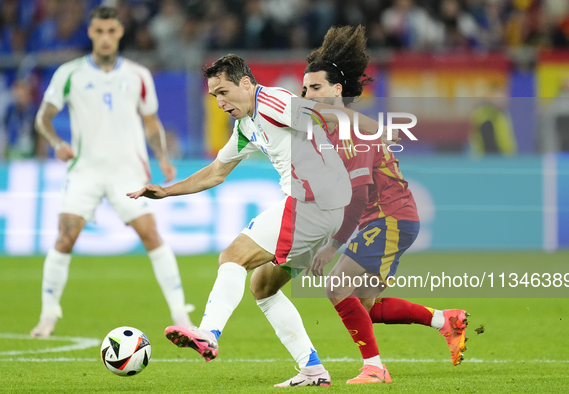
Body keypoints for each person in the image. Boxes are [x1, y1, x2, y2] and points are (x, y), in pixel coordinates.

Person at [128, 53, 392, 387]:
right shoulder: (245, 126)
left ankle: (208, 332)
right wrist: (166, 192)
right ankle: (312, 370)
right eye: (214, 96)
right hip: (323, 213)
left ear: (246, 83)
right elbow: (216, 173)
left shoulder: (272, 102)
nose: (220, 101)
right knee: (263, 287)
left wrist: (370, 131)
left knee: (232, 257)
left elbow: (323, 114)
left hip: (311, 204)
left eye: (224, 92)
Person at [300, 25, 469, 383]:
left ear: (336, 89)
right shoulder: (337, 129)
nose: (307, 95)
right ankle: (445, 320)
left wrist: (332, 246)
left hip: (389, 218)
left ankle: (375, 368)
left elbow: (359, 195)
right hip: (387, 220)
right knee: (365, 305)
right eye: (304, 89)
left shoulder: (352, 131)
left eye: (315, 87)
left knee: (335, 286)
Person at [30, 6, 194, 338]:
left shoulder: (137, 75)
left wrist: (162, 157)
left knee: (151, 235)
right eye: (99, 31)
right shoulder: (70, 73)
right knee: (65, 238)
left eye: (111, 32)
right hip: (85, 172)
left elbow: (151, 122)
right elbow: (43, 118)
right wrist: (57, 143)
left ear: (120, 33)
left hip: (127, 174)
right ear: (90, 33)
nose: (105, 38)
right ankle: (48, 315)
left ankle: (182, 316)